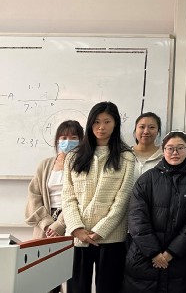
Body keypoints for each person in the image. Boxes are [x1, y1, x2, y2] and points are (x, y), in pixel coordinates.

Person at [62, 101, 135, 293]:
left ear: (115, 124)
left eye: (107, 121)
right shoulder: (73, 156)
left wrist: (101, 231)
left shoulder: (126, 157)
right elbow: (68, 197)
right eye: (96, 122)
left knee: (109, 288)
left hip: (111, 237)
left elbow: (123, 199)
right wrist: (77, 228)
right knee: (77, 288)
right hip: (79, 236)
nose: (101, 127)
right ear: (89, 124)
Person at [122, 131, 186, 293]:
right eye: (170, 148)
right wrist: (154, 253)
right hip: (144, 259)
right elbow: (137, 218)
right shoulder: (147, 179)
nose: (175, 152)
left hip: (181, 259)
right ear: (163, 151)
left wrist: (171, 252)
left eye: (180, 148)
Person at [25, 119, 84, 293]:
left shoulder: (84, 164)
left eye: (73, 137)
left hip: (72, 222)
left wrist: (60, 224)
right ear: (57, 140)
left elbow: (82, 197)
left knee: (73, 275)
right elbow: (34, 195)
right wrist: (47, 224)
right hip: (46, 224)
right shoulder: (45, 165)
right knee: (45, 276)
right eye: (63, 137)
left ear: (81, 140)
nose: (68, 141)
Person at [131, 112, 163, 181]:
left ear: (158, 131)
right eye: (142, 127)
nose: (146, 132)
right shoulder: (125, 154)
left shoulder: (165, 156)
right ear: (135, 130)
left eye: (151, 127)